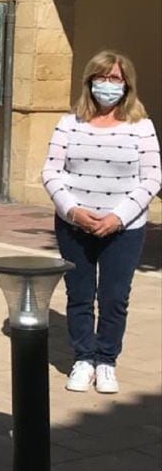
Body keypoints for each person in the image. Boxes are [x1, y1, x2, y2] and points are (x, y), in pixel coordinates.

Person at [41, 50, 160, 394]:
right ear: (89, 81)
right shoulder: (69, 123)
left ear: (127, 85)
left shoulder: (142, 127)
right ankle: (83, 357)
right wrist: (73, 211)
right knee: (79, 295)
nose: (107, 85)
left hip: (123, 229)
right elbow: (51, 171)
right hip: (74, 226)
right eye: (101, 78)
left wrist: (117, 218)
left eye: (115, 79)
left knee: (114, 297)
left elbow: (152, 179)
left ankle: (106, 360)